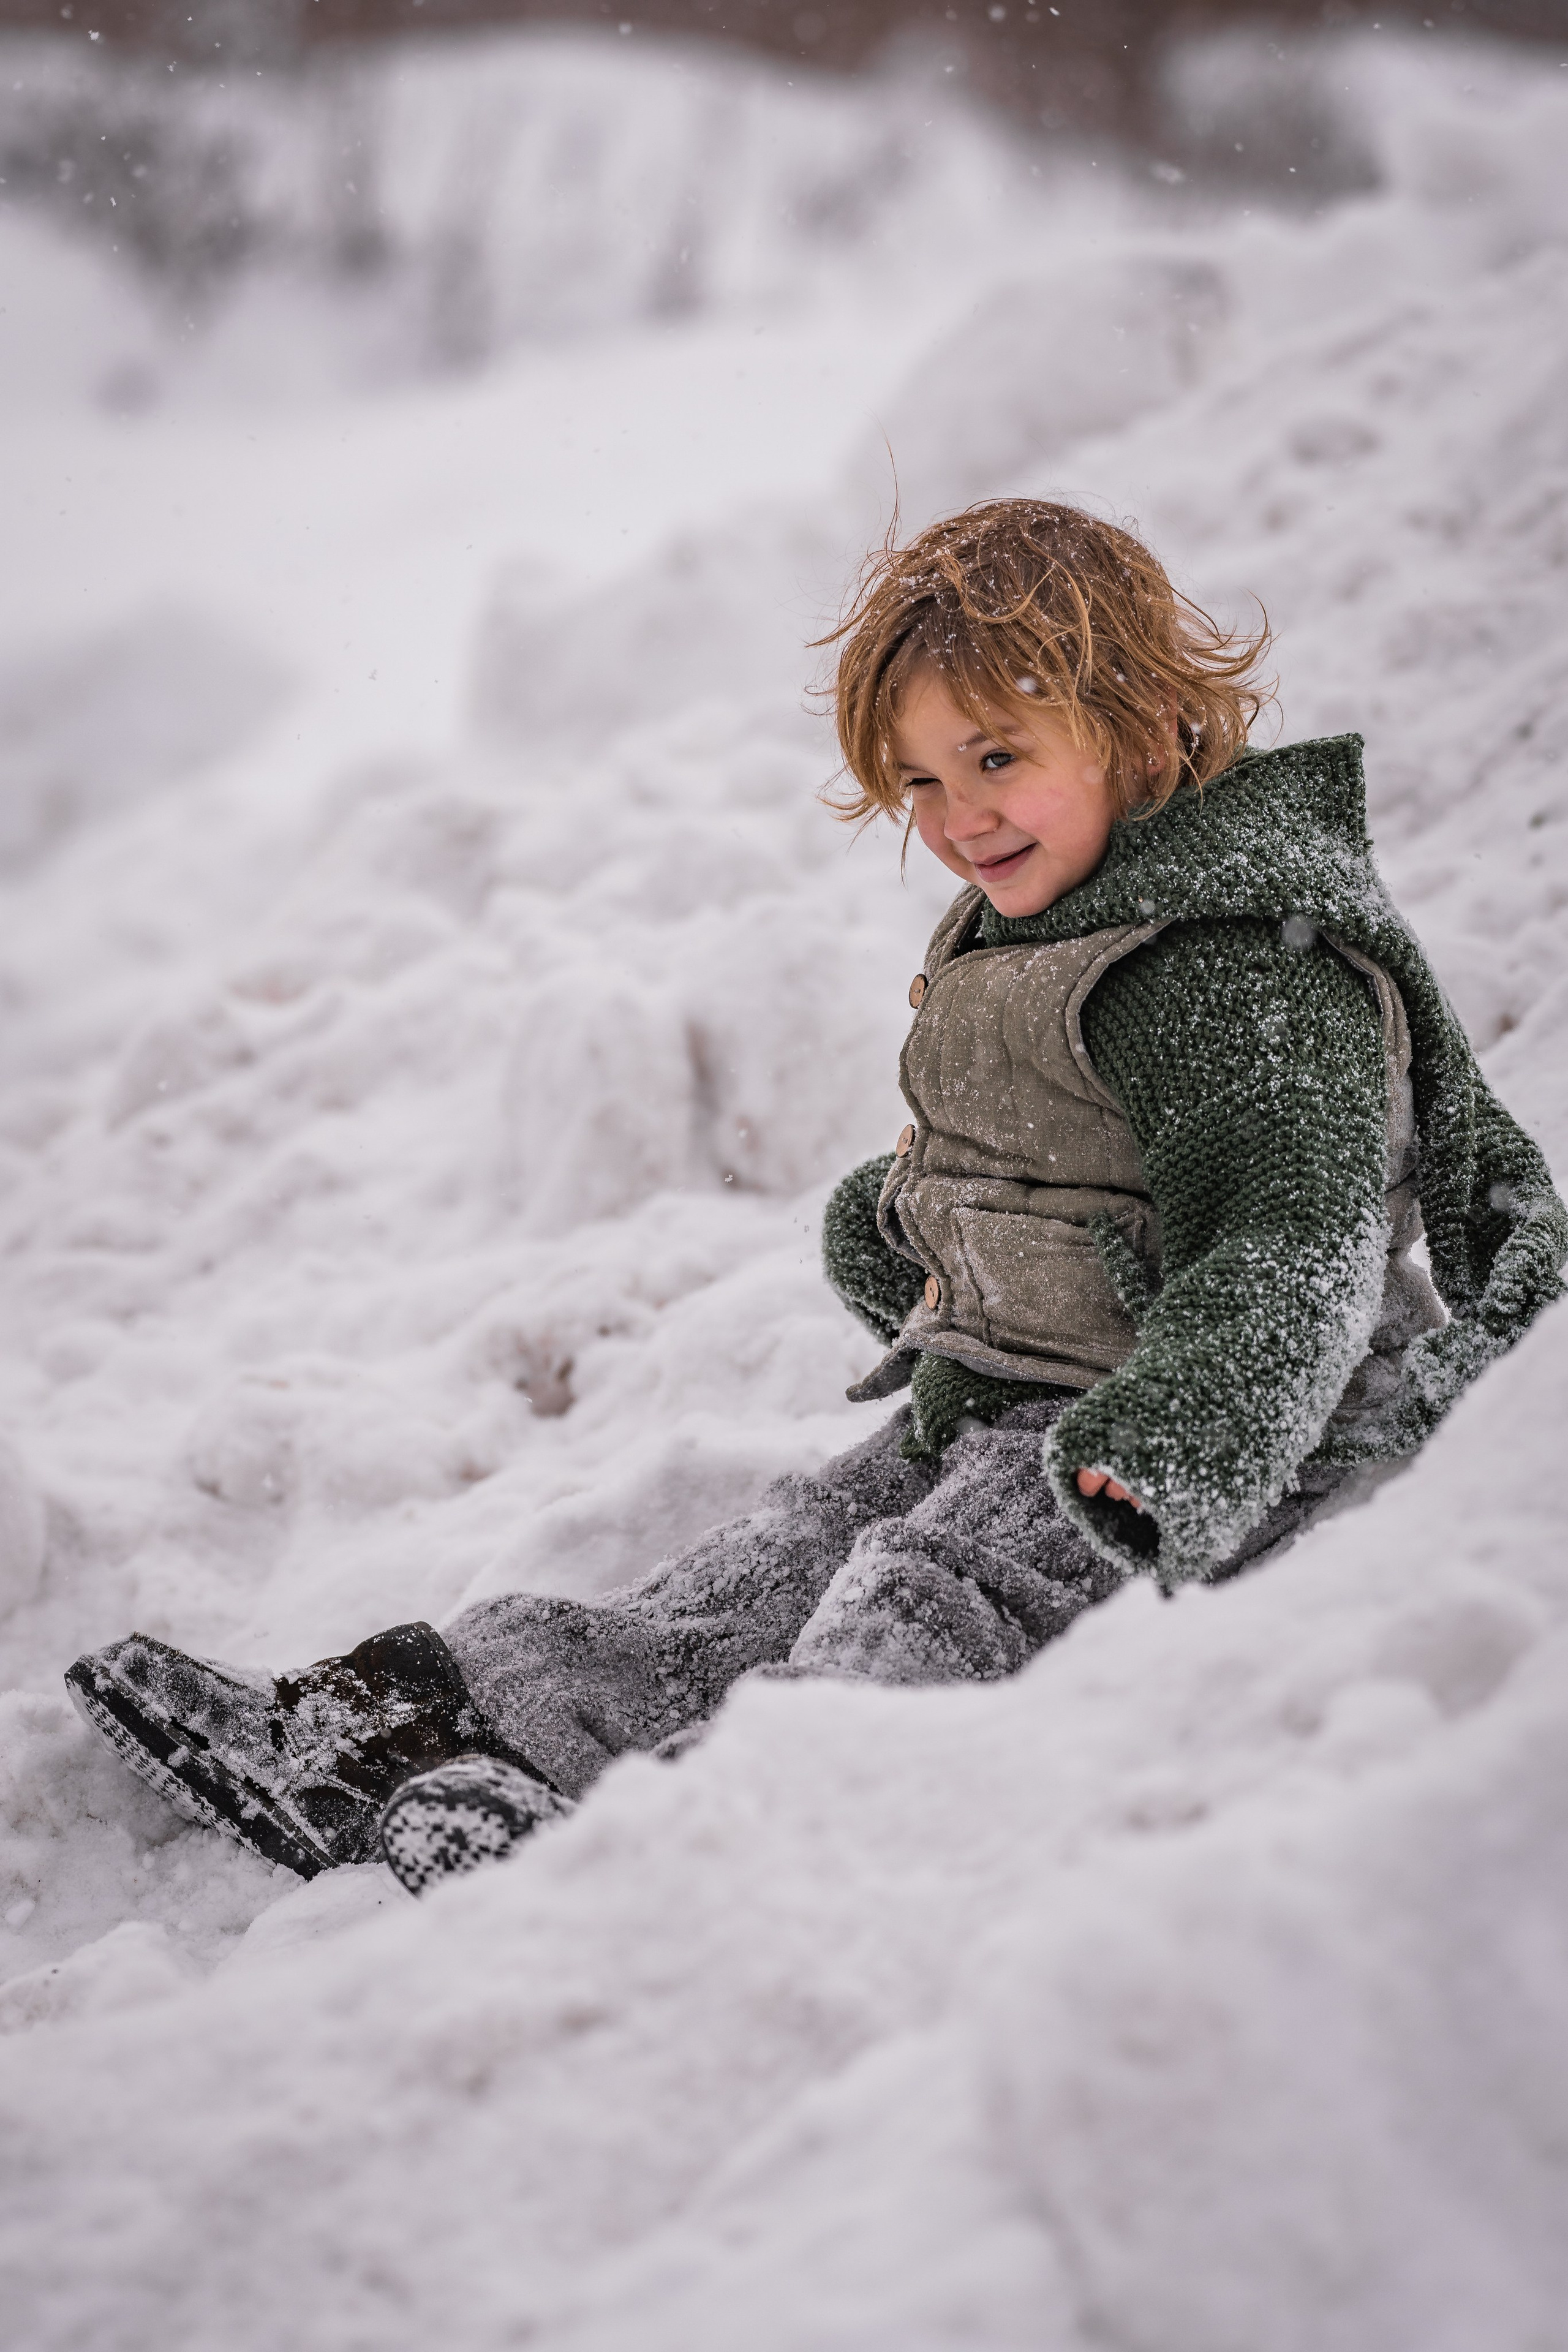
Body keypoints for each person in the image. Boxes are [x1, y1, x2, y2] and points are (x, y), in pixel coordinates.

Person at [67, 500, 1567, 1896]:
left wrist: (1168, 1448)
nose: (957, 814)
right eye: (918, 778)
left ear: (1141, 720)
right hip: (1017, 1389)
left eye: (994, 757)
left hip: (1191, 1435)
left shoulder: (1244, 968)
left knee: (926, 1596)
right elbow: (1055, 1159)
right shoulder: (1070, 913)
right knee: (761, 1563)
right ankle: (424, 1739)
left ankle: (732, 1838)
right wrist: (907, 1228)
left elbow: (1289, 1246)